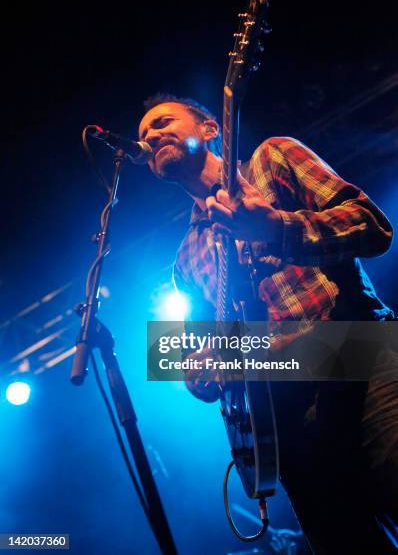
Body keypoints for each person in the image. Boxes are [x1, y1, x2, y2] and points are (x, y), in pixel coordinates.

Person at [138, 94, 398, 553]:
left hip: (361, 361)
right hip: (287, 424)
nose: (150, 136)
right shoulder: (184, 258)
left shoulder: (272, 157)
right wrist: (198, 373)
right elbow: (214, 352)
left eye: (162, 123)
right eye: (143, 137)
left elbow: (373, 227)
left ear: (211, 128)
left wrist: (276, 227)